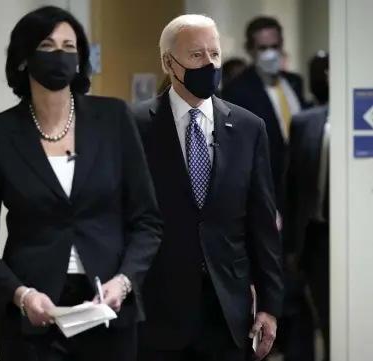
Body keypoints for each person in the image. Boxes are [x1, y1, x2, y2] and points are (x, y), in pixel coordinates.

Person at [0, 6, 163, 361]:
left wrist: (125, 282)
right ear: (25, 59)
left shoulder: (113, 118)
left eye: (70, 47)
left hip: (108, 310)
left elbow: (148, 221)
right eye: (48, 46)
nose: (60, 55)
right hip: (32, 318)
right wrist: (20, 295)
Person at [132, 14, 283, 361]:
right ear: (169, 62)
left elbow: (262, 225)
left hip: (228, 313)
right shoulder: (134, 126)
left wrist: (270, 305)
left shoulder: (248, 128)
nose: (209, 64)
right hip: (158, 313)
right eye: (196, 55)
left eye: (214, 54)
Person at [221, 16, 307, 216]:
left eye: (274, 46)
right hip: (267, 190)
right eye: (263, 48)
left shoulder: (295, 82)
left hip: (301, 187)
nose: (270, 53)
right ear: (250, 49)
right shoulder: (238, 91)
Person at [286, 50, 330, 361]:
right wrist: (289, 243)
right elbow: (291, 187)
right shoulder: (305, 123)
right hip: (317, 235)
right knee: (325, 316)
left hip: (359, 233)